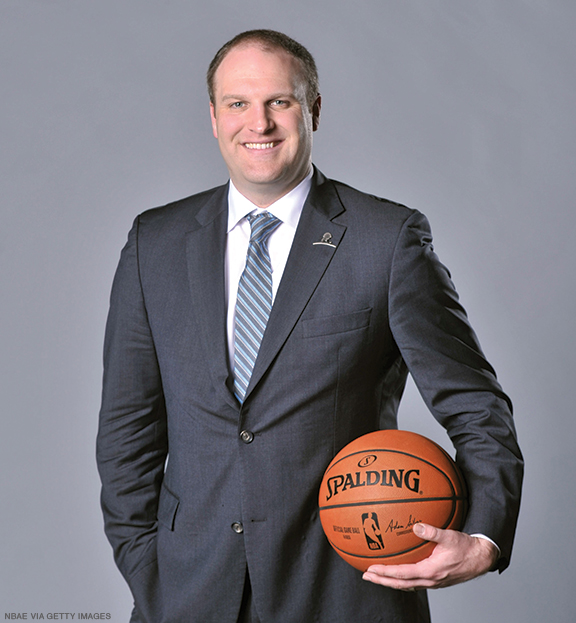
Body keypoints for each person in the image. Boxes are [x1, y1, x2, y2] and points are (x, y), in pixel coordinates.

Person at [96, 29, 523, 623]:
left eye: (280, 101)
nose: (259, 123)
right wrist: (148, 571)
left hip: (346, 591)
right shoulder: (155, 243)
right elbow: (126, 431)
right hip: (186, 593)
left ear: (313, 109)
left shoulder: (387, 241)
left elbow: (477, 407)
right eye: (238, 104)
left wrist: (483, 537)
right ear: (213, 117)